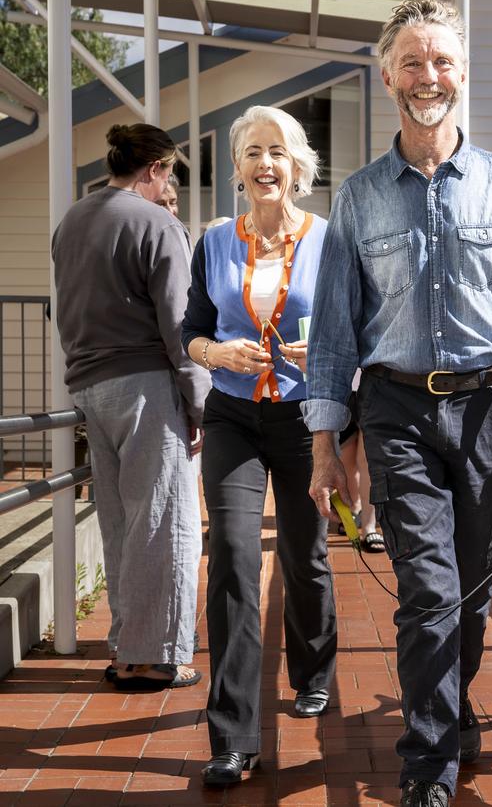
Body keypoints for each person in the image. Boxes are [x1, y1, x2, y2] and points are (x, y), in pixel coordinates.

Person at [303, 0, 492, 807]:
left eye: (444, 61)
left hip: (488, 411)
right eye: (414, 63)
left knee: (471, 587)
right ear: (388, 76)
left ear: (462, 72)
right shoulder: (358, 199)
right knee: (426, 587)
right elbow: (333, 337)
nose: (431, 77)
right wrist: (326, 442)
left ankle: (451, 712)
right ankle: (429, 765)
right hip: (395, 411)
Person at [181, 105, 337, 788]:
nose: (265, 163)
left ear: (297, 167)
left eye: (277, 151)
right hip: (233, 417)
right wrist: (217, 350)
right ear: (238, 169)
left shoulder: (329, 240)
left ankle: (314, 671)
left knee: (305, 552)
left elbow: (356, 327)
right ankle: (234, 736)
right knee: (235, 560)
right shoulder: (214, 242)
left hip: (306, 417)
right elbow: (189, 329)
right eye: (252, 152)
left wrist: (327, 350)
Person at [52, 123, 210, 690]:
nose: (169, 184)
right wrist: (199, 403)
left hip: (90, 386)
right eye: (168, 173)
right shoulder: (157, 222)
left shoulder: (72, 220)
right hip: (146, 384)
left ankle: (127, 643)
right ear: (154, 170)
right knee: (165, 521)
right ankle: (154, 657)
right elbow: (180, 326)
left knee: (120, 522)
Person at [338, 391, 384, 553]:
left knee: (367, 461)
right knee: (346, 460)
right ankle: (354, 507)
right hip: (343, 390)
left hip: (374, 387)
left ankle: (369, 527)